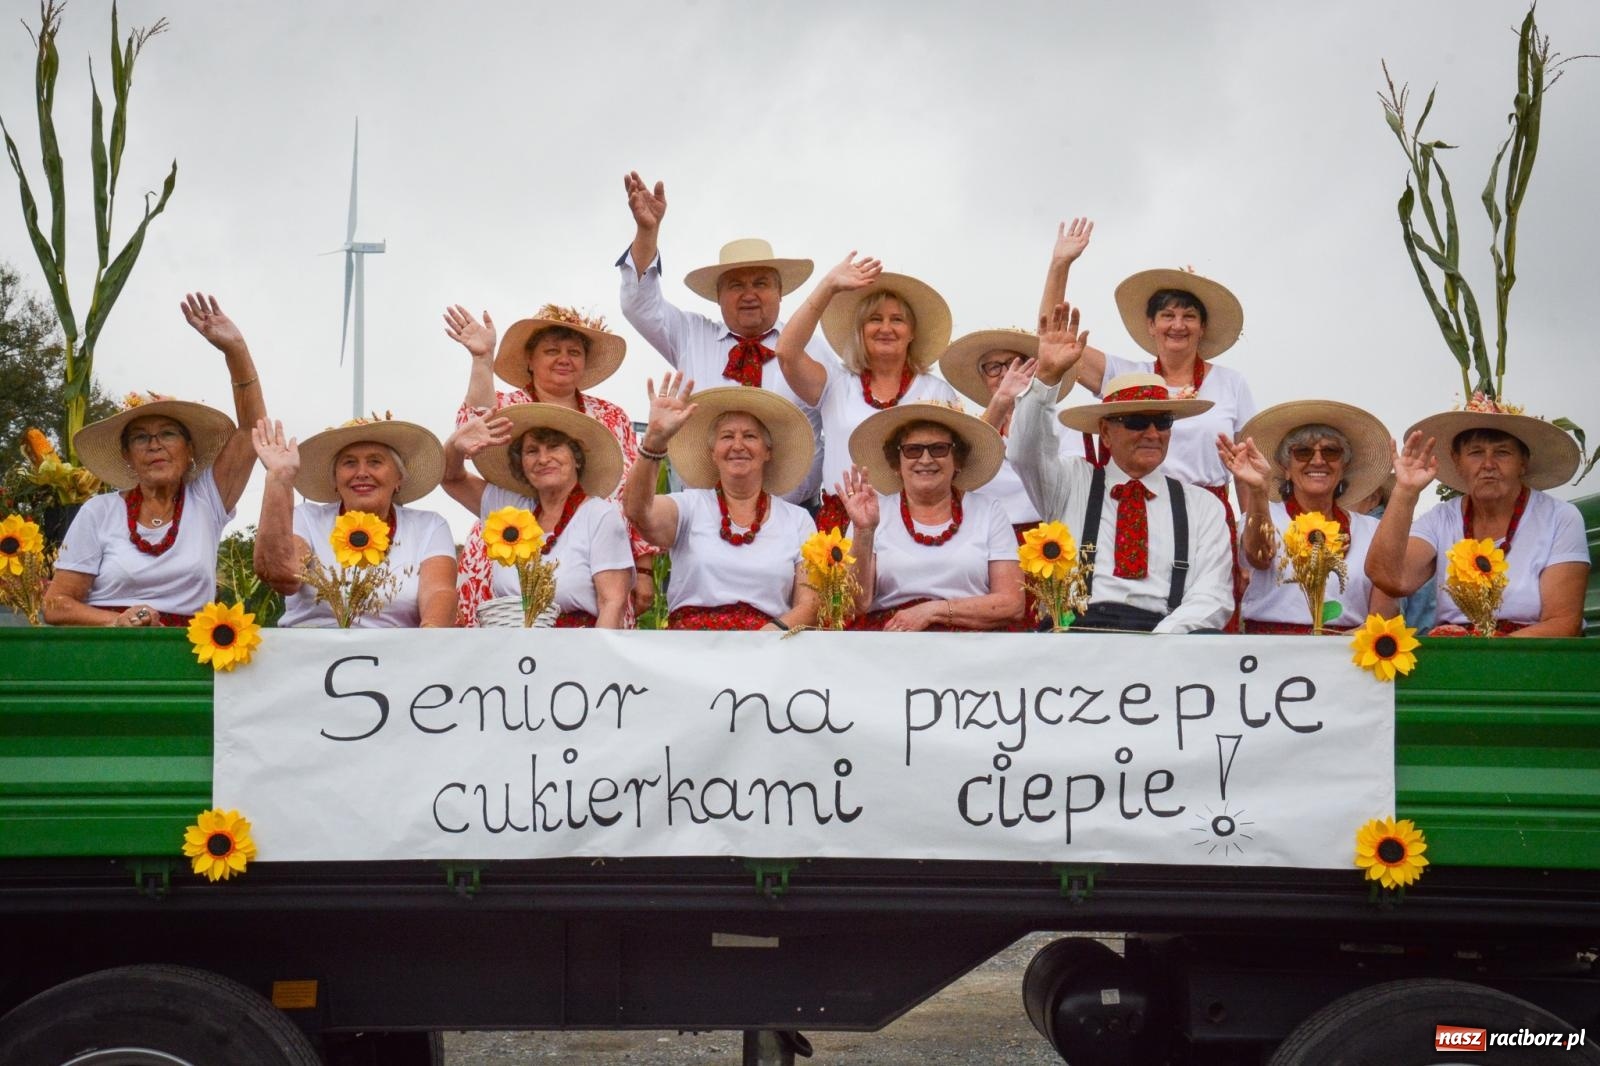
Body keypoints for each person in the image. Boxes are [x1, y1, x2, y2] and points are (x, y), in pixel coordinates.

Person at [1008, 304, 1233, 633]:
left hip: (1165, 640)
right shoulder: (1071, 482)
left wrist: (1155, 646)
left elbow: (1213, 595)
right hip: (1076, 638)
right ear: (1107, 432)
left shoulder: (1202, 506)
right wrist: (1046, 379)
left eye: (1163, 421)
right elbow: (1025, 451)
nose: (1153, 433)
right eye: (1137, 421)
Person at [44, 294, 265, 627]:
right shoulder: (99, 512)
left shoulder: (208, 499)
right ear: (127, 455)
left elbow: (251, 429)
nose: (155, 445)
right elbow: (57, 604)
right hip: (108, 650)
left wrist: (235, 350)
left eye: (168, 434)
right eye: (141, 438)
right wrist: (116, 622)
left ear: (189, 449)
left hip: (189, 653)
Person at [617, 171, 831, 510]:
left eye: (761, 283)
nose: (749, 294)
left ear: (780, 292)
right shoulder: (691, 335)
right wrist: (647, 232)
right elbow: (639, 304)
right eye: (735, 285)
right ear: (717, 297)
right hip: (704, 517)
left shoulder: (815, 350)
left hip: (798, 519)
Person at [442, 303, 653, 625]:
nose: (564, 359)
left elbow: (630, 492)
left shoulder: (612, 416)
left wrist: (644, 566)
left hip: (601, 555)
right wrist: (482, 360)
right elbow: (472, 435)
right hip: (507, 547)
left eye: (574, 351)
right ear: (529, 359)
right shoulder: (507, 406)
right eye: (551, 350)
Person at [1365, 404, 1589, 636]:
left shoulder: (1560, 517)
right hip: (1457, 655)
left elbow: (1564, 622)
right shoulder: (1440, 519)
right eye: (1476, 452)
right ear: (1457, 462)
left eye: (1503, 452)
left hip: (1530, 658)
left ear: (1523, 462)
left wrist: (1484, 653)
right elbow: (1389, 578)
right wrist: (1405, 492)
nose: (1488, 464)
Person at [773, 253, 960, 531]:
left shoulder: (936, 391)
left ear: (911, 333)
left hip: (914, 523)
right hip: (842, 523)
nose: (885, 328)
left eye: (897, 320)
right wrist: (828, 286)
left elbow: (955, 468)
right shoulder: (835, 383)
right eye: (875, 319)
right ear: (860, 331)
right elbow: (787, 352)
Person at [622, 374, 818, 631]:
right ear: (713, 453)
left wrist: (765, 638)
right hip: (691, 651)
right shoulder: (689, 506)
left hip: (766, 649)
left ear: (768, 451)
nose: (738, 445)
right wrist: (654, 441)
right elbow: (638, 511)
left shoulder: (798, 520)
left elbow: (810, 604)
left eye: (749, 436)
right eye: (727, 437)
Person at [252, 416, 456, 628]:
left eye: (375, 462)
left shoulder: (429, 526)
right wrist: (279, 478)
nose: (361, 473)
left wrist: (429, 640)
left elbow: (439, 593)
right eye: (349, 463)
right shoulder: (307, 518)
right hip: (311, 654)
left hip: (396, 655)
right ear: (335, 481)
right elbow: (283, 577)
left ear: (399, 478)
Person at [443, 404, 633, 628]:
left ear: (577, 458)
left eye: (554, 447)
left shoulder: (601, 515)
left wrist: (594, 659)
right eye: (532, 451)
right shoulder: (510, 509)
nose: (543, 459)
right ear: (520, 464)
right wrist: (456, 444)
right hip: (510, 650)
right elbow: (450, 477)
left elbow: (612, 602)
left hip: (575, 652)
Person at [836, 404, 1021, 631]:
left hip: (973, 648)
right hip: (892, 645)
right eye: (913, 450)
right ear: (897, 462)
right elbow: (854, 605)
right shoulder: (871, 514)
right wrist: (864, 531)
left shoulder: (988, 510)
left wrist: (933, 612)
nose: (925, 459)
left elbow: (1012, 603)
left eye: (939, 449)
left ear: (958, 460)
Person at [1217, 400, 1398, 633]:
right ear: (1286, 468)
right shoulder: (1263, 515)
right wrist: (1257, 491)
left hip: (1349, 652)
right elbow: (1259, 556)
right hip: (1271, 652)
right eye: (1303, 452)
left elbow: (1384, 613)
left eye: (1331, 452)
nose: (1318, 460)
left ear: (1344, 466)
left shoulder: (1372, 530)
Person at [939, 328, 1080, 538]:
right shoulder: (971, 429)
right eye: (994, 368)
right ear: (983, 378)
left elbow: (1073, 485)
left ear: (1034, 369)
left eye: (1016, 363)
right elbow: (958, 475)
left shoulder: (1062, 422)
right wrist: (1001, 401)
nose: (1007, 374)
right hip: (986, 537)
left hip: (1052, 540)